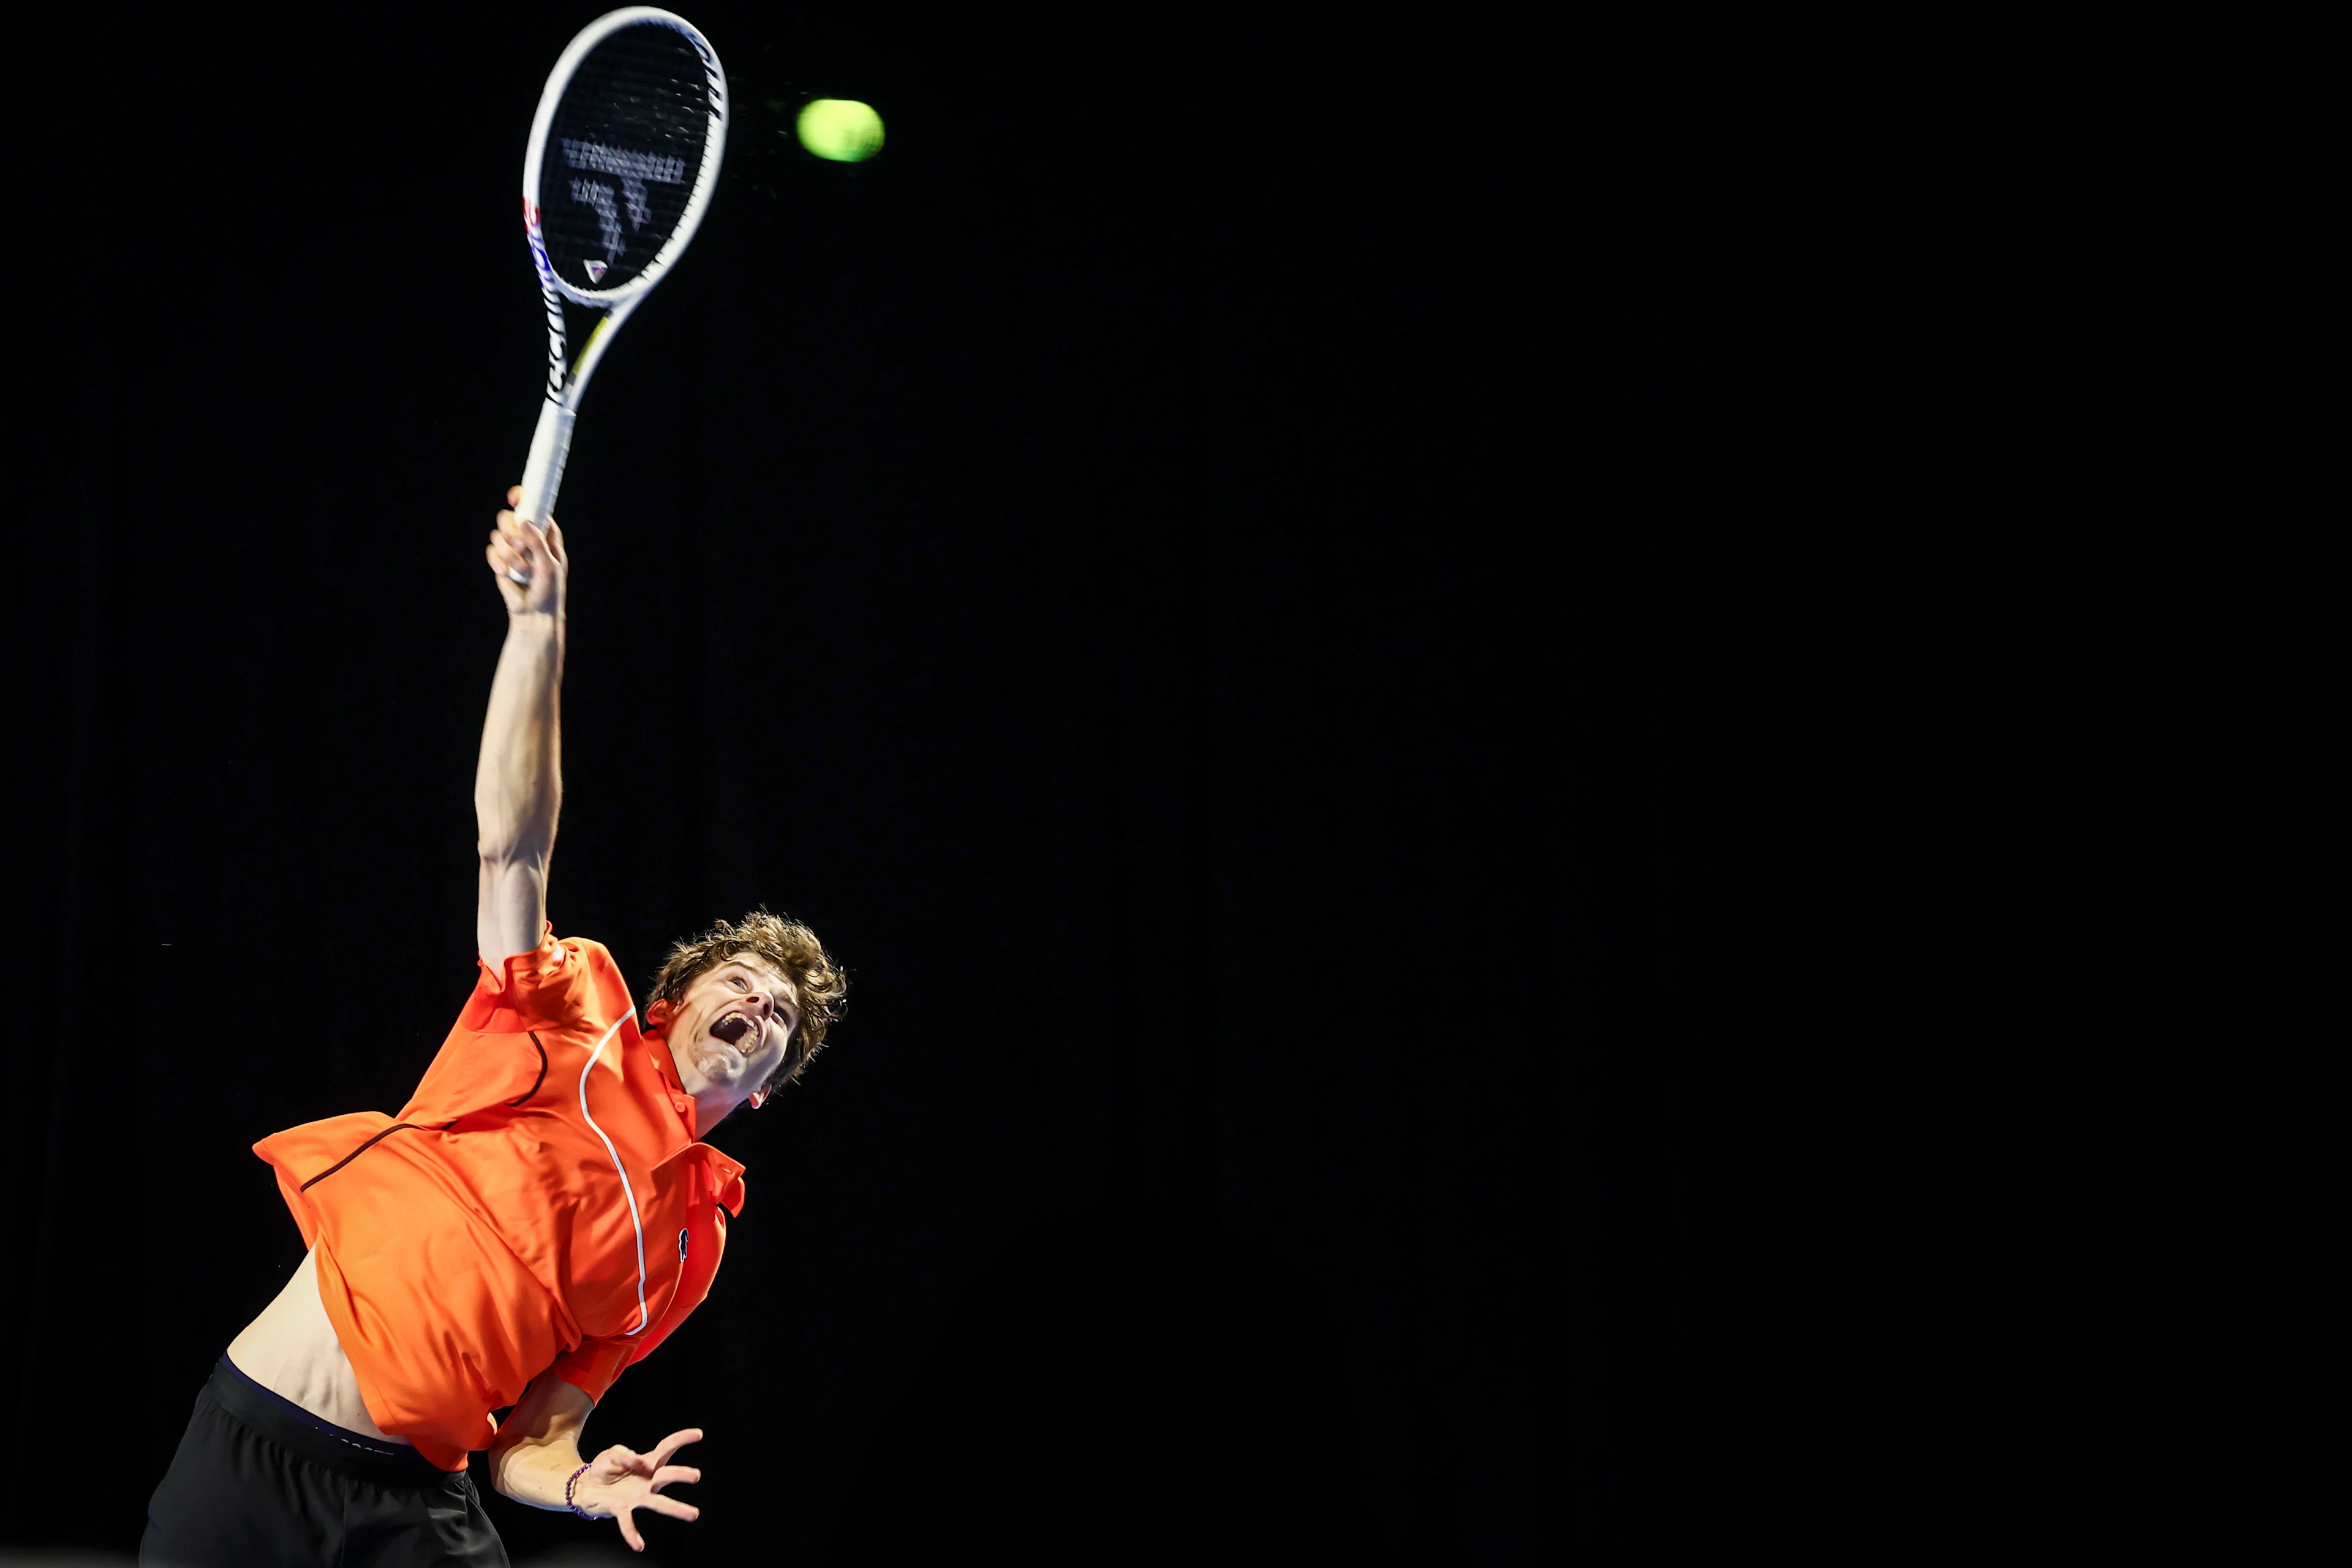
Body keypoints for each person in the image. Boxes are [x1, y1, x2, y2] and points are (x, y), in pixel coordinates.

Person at [141, 492, 846, 1566]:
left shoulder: (691, 1250)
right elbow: (511, 848)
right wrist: (537, 627)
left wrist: (574, 1481)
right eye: (740, 982)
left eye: (781, 1021)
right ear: (671, 1005)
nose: (758, 1008)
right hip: (254, 1450)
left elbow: (535, 1438)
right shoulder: (574, 1010)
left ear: (762, 1089)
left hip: (411, 1510)